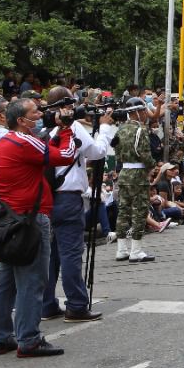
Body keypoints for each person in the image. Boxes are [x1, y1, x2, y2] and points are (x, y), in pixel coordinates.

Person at [0, 97, 76, 358]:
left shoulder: (6, 140)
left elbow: (43, 150)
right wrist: (67, 128)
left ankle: (1, 337)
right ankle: (29, 340)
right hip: (31, 220)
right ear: (21, 120)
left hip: (9, 218)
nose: (40, 115)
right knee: (32, 281)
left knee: (4, 282)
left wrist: (56, 131)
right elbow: (66, 156)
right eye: (35, 112)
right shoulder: (24, 141)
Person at [40, 86, 114, 324]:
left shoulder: (44, 130)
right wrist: (104, 127)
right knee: (71, 253)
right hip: (68, 198)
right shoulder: (71, 128)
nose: (74, 109)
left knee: (49, 254)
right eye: (70, 105)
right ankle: (77, 305)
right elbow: (98, 152)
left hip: (48, 197)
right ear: (64, 107)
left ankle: (47, 303)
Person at [112, 98, 156, 262]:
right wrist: (153, 165)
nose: (145, 114)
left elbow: (116, 153)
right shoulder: (141, 130)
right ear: (137, 112)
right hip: (138, 175)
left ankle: (121, 249)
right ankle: (136, 251)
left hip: (124, 172)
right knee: (139, 211)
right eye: (143, 111)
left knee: (123, 211)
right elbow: (144, 154)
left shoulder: (120, 129)